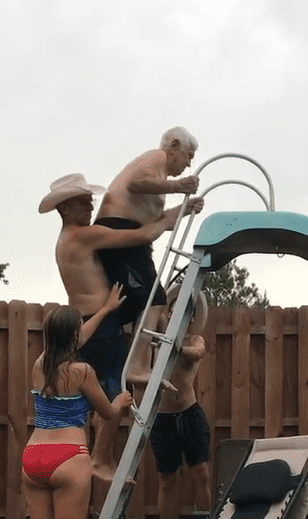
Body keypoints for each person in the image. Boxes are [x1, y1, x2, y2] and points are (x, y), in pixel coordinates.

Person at [38, 172, 201, 481]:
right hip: (100, 324)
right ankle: (100, 459)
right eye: (84, 204)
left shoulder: (66, 240)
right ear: (65, 210)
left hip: (89, 322)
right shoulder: (81, 236)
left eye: (91, 202)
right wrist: (174, 217)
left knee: (100, 394)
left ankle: (97, 455)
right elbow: (140, 237)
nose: (90, 208)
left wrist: (180, 210)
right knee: (116, 395)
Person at [21, 305, 133, 519]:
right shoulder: (82, 372)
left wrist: (104, 311)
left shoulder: (41, 364)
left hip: (33, 457)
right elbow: (108, 413)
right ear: (72, 336)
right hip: (69, 458)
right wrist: (122, 400)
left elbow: (74, 337)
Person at [94, 126, 203, 328]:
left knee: (135, 302)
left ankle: (120, 342)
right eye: (188, 156)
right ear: (174, 146)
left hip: (129, 237)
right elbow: (135, 183)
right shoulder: (157, 157)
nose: (189, 164)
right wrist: (178, 186)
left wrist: (186, 208)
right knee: (154, 299)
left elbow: (159, 220)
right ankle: (138, 359)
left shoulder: (159, 182)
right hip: (119, 232)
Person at [134, 287, 211, 519]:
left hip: (189, 414)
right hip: (163, 419)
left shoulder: (193, 341)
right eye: (174, 308)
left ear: (191, 316)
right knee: (167, 480)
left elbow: (195, 354)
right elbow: (138, 373)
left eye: (185, 311)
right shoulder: (154, 342)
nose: (179, 314)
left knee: (201, 473)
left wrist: (176, 346)